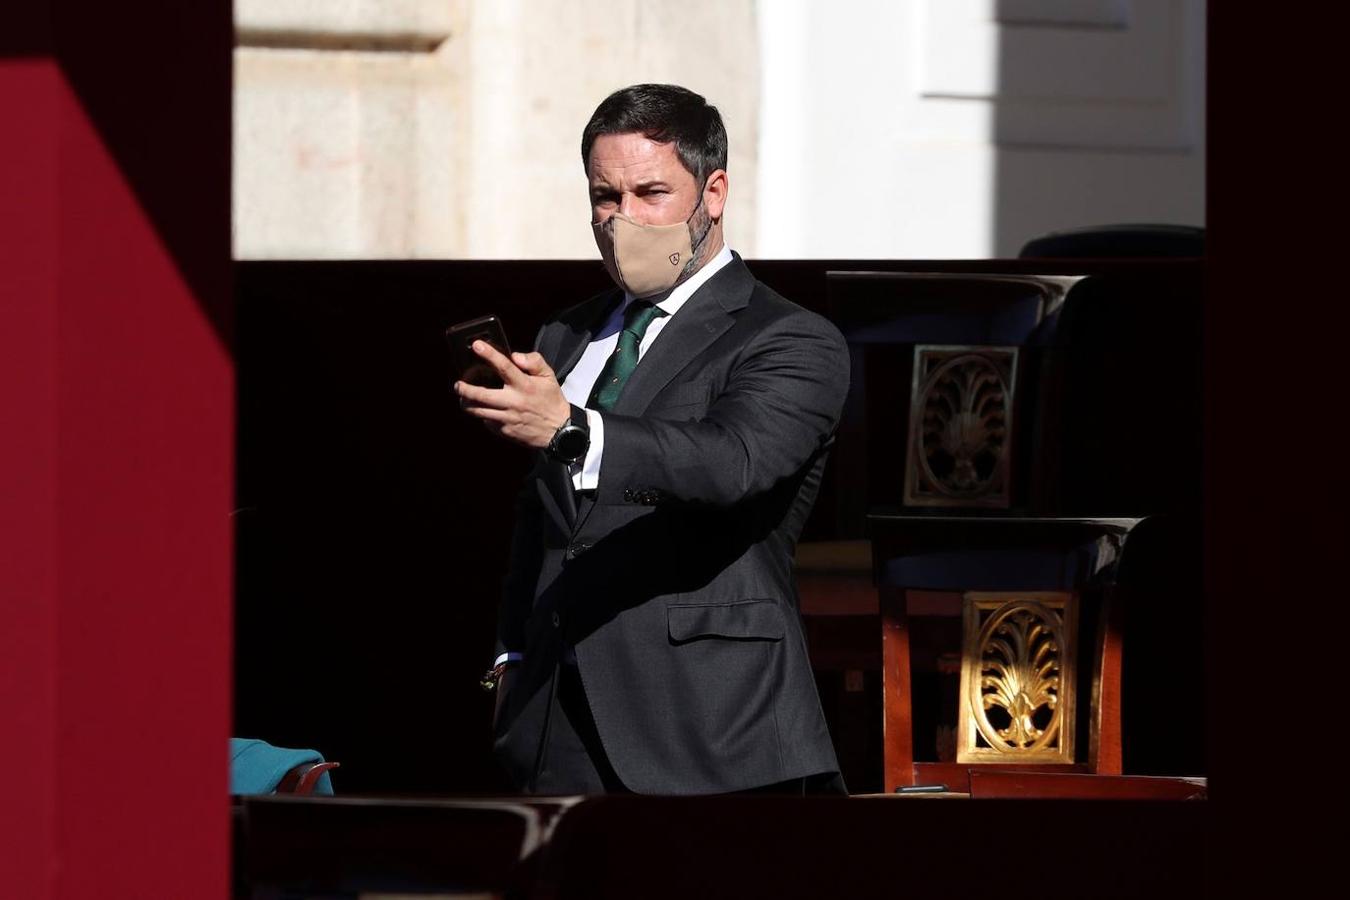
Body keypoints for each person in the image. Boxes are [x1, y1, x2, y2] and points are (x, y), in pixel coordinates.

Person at [454, 83, 849, 795]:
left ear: (714, 192)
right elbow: (540, 521)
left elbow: (732, 463)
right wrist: (512, 657)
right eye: (605, 196)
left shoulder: (786, 336)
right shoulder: (568, 334)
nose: (624, 219)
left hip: (708, 727)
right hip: (557, 725)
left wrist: (575, 431)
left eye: (652, 192)